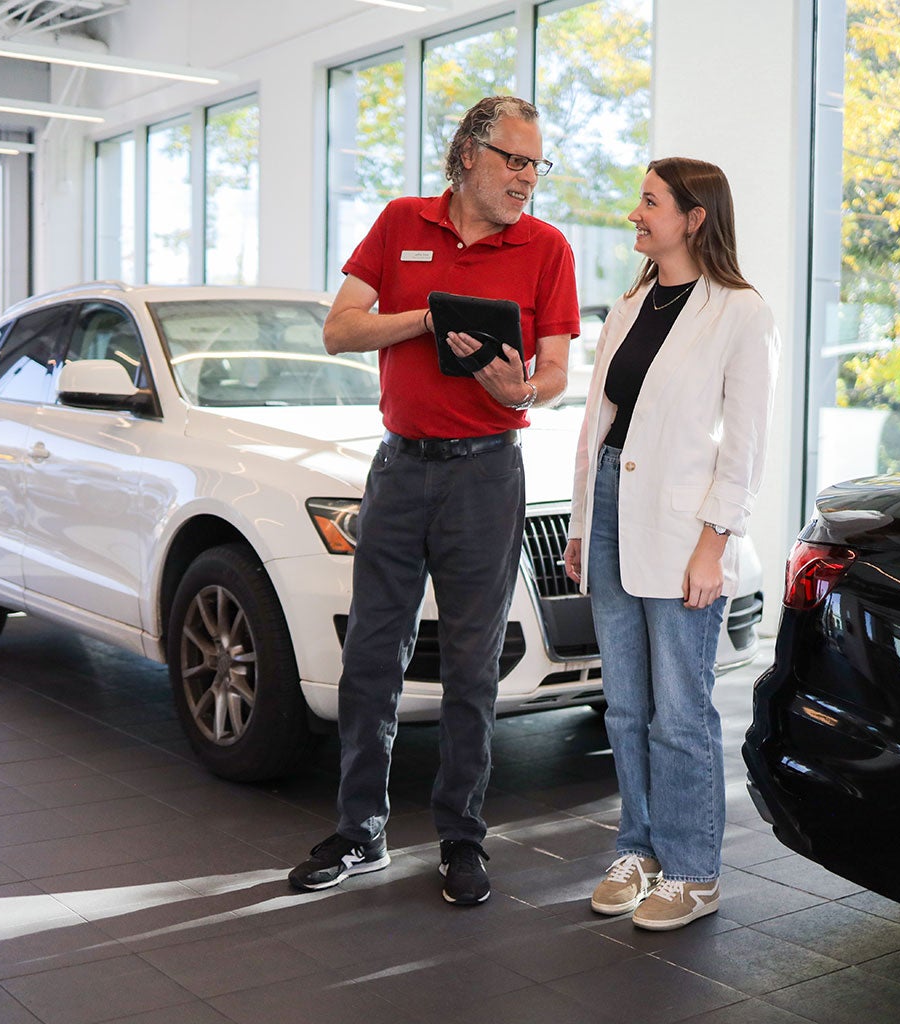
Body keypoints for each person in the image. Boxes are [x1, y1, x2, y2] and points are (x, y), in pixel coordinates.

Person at [288, 95, 580, 906]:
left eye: (535, 164)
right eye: (514, 160)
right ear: (467, 157)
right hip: (398, 468)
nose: (527, 178)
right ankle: (361, 832)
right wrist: (425, 319)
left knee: (471, 664)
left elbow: (553, 373)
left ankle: (461, 837)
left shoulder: (547, 247)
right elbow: (340, 329)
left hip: (487, 474)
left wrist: (521, 386)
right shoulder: (399, 223)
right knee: (372, 655)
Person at [563, 157, 779, 930]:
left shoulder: (740, 312)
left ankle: (694, 870)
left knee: (680, 710)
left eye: (649, 203)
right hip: (616, 505)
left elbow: (744, 446)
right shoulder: (630, 305)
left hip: (683, 524)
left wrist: (714, 544)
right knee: (624, 705)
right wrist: (585, 525)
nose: (634, 214)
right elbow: (601, 427)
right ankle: (640, 849)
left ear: (693, 217)